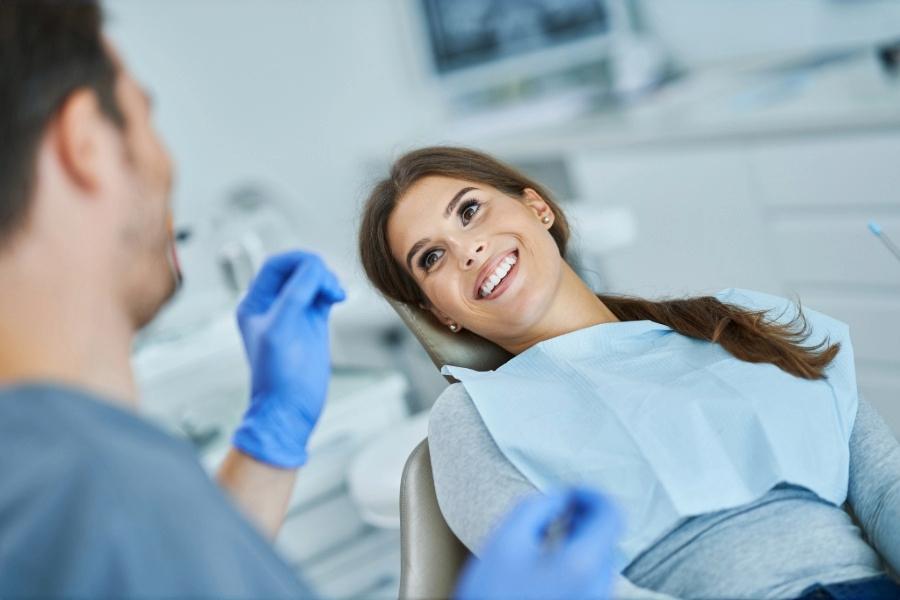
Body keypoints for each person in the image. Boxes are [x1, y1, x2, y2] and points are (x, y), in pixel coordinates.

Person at [0, 3, 621, 598]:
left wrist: (269, 435)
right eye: (144, 116)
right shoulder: (71, 486)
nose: (166, 166)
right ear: (84, 145)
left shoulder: (71, 474)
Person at [358, 145, 900, 599]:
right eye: (431, 257)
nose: (468, 250)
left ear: (537, 208)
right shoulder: (472, 416)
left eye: (470, 211)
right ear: (440, 314)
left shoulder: (740, 322)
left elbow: (884, 492)